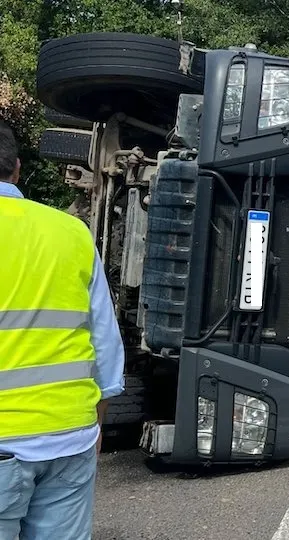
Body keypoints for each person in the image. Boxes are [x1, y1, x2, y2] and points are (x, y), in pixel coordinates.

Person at [0, 119, 125, 539]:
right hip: (70, 436)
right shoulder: (71, 232)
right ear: (16, 168)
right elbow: (105, 341)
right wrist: (96, 424)